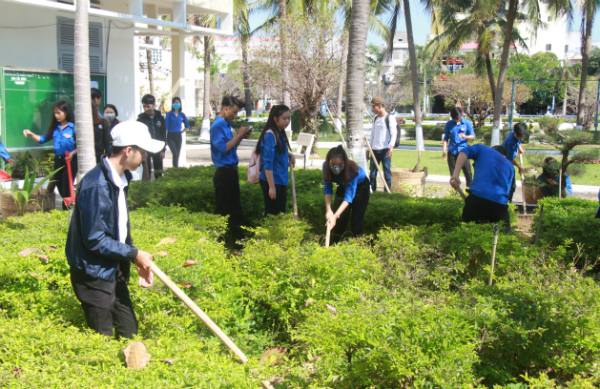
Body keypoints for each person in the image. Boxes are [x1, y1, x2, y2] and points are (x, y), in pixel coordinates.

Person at [66, 121, 163, 339]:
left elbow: (118, 230)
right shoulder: (97, 184)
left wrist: (134, 258)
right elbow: (95, 239)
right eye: (143, 152)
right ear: (129, 151)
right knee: (103, 338)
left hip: (113, 268)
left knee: (130, 333)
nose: (145, 158)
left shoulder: (120, 179)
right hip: (94, 273)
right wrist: (134, 253)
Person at [210, 96, 250, 246]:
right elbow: (223, 149)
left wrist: (240, 138)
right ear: (226, 109)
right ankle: (217, 242)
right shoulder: (217, 126)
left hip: (231, 171)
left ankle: (237, 241)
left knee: (236, 208)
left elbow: (230, 147)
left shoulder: (226, 124)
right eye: (234, 112)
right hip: (223, 173)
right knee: (222, 210)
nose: (235, 115)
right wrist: (238, 135)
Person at [23, 100, 77, 209]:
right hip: (58, 160)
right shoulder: (55, 128)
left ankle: (67, 210)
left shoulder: (73, 127)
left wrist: (72, 153)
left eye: (59, 113)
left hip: (70, 160)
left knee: (67, 186)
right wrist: (31, 134)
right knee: (59, 184)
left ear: (66, 112)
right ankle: (67, 207)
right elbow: (42, 139)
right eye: (55, 113)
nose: (56, 115)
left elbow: (82, 144)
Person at [450, 144, 515, 232]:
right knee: (503, 235)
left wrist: (455, 175)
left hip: (477, 198)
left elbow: (463, 152)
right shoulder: (510, 165)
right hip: (499, 204)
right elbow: (508, 190)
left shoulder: (481, 148)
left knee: (469, 232)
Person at [323, 145, 370, 244]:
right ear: (328, 161)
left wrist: (334, 216)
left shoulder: (351, 170)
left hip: (361, 188)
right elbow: (328, 188)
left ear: (345, 162)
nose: (336, 167)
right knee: (340, 218)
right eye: (333, 163)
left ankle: (359, 245)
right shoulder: (326, 166)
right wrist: (329, 210)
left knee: (356, 220)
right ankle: (335, 243)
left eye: (340, 164)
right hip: (343, 186)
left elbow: (349, 197)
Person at [255, 105, 295, 216]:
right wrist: (271, 187)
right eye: (284, 118)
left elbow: (278, 152)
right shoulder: (270, 135)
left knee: (280, 213)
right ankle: (267, 234)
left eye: (289, 118)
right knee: (272, 214)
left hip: (280, 179)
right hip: (272, 181)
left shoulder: (280, 132)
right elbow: (268, 163)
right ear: (275, 118)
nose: (287, 121)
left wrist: (290, 155)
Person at [367, 96, 396, 192]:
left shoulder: (389, 118)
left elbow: (393, 134)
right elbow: (372, 135)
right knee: (372, 174)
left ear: (379, 106)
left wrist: (390, 149)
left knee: (387, 173)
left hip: (385, 150)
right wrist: (368, 150)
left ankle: (387, 192)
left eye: (373, 107)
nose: (372, 109)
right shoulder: (375, 118)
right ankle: (373, 192)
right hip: (374, 150)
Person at [442, 107, 475, 187]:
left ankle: (469, 191)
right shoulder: (449, 124)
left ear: (462, 115)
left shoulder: (467, 123)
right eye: (455, 119)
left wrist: (465, 137)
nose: (457, 120)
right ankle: (455, 192)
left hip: (463, 152)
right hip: (452, 151)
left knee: (468, 172)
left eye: (458, 119)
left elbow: (472, 136)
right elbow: (446, 138)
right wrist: (444, 152)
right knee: (453, 174)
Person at [137, 94, 166, 179]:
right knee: (146, 172)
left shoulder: (160, 117)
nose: (146, 109)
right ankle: (147, 190)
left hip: (158, 148)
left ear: (154, 105)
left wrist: (163, 150)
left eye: (148, 106)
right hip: (146, 149)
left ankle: (159, 190)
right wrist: (142, 152)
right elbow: (139, 136)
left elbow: (163, 134)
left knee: (158, 173)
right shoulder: (141, 119)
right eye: (144, 106)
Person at [502, 122, 527, 202]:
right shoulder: (511, 142)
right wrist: (519, 167)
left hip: (508, 161)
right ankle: (506, 204)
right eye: (518, 136)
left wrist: (520, 147)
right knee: (510, 186)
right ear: (514, 132)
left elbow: (519, 141)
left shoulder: (519, 132)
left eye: (521, 136)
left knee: (511, 186)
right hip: (504, 163)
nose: (520, 138)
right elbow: (510, 158)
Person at [165, 97, 190, 168]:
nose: (176, 104)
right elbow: (166, 127)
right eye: (175, 102)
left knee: (177, 155)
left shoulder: (182, 115)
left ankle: (175, 170)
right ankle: (175, 169)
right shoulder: (169, 114)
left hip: (178, 136)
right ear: (172, 104)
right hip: (170, 136)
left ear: (180, 104)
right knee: (175, 153)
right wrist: (165, 138)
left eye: (177, 102)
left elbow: (187, 126)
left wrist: (181, 132)